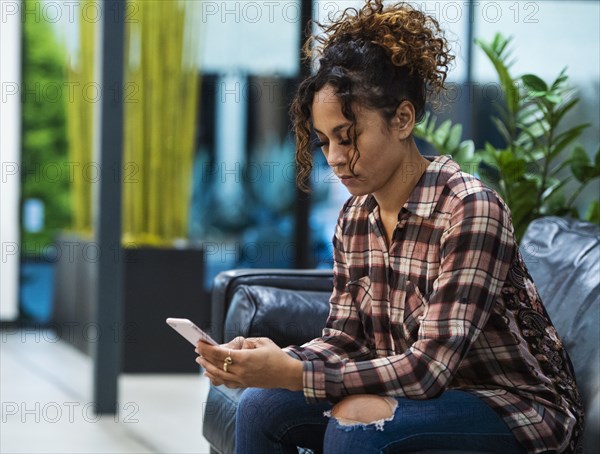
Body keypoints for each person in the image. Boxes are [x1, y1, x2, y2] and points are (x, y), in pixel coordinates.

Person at [196, 1, 583, 453]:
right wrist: (277, 361)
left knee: (355, 424)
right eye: (324, 142)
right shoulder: (356, 217)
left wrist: (294, 373)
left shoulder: (471, 211)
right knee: (262, 405)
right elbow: (344, 341)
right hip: (422, 394)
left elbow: (428, 370)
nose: (336, 158)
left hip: (512, 407)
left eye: (349, 135)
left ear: (402, 119)